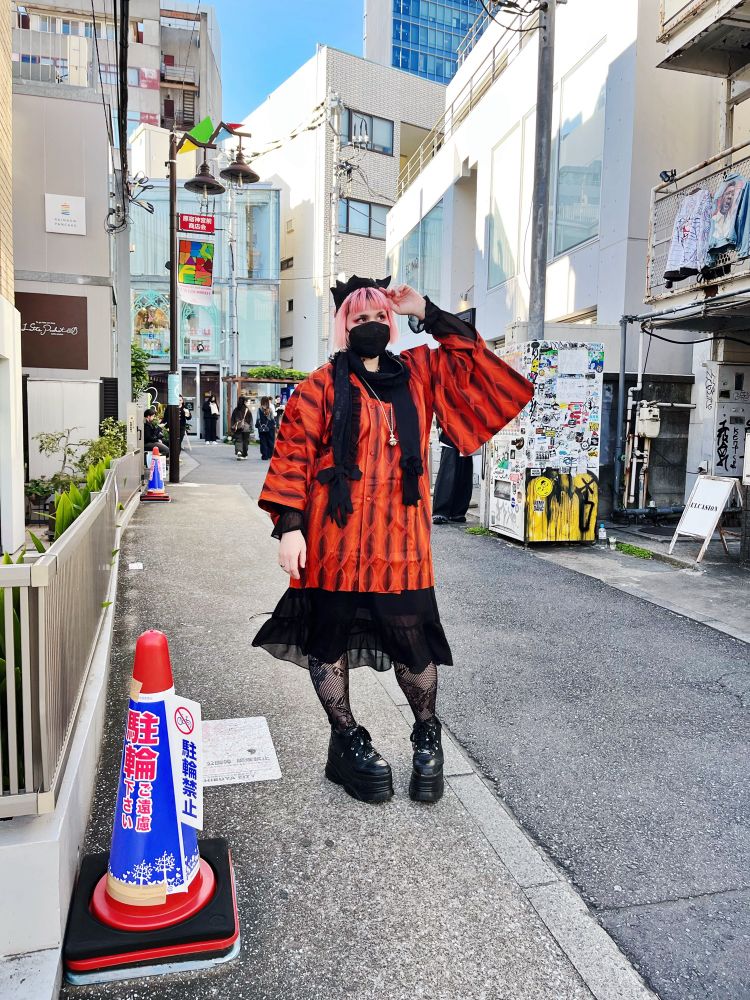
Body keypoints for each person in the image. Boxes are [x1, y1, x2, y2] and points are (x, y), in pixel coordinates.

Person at [252, 275, 533, 805]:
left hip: (401, 544)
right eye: (358, 320)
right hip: (333, 542)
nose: (371, 327)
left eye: (379, 317)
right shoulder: (320, 385)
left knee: (413, 642)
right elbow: (292, 454)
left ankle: (428, 737)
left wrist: (422, 307)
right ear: (342, 328)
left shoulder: (421, 373)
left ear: (391, 323)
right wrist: (289, 528)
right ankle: (346, 740)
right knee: (328, 639)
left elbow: (472, 356)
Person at [431, 425, 475, 525]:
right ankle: (441, 511)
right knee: (447, 473)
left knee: (464, 473)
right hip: (451, 431)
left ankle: (458, 511)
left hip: (467, 433)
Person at [230, 395, 252, 460]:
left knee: (238, 440)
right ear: (244, 402)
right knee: (245, 441)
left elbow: (232, 419)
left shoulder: (235, 410)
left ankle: (239, 451)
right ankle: (244, 454)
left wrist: (233, 427)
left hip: (238, 427)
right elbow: (250, 419)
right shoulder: (247, 410)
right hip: (246, 428)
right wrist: (251, 428)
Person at [255, 396, 276, 461]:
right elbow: (272, 418)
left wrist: (257, 425)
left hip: (262, 428)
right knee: (270, 441)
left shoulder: (259, 410)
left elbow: (258, 419)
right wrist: (274, 425)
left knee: (263, 441)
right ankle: (270, 454)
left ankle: (264, 455)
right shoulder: (270, 409)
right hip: (270, 428)